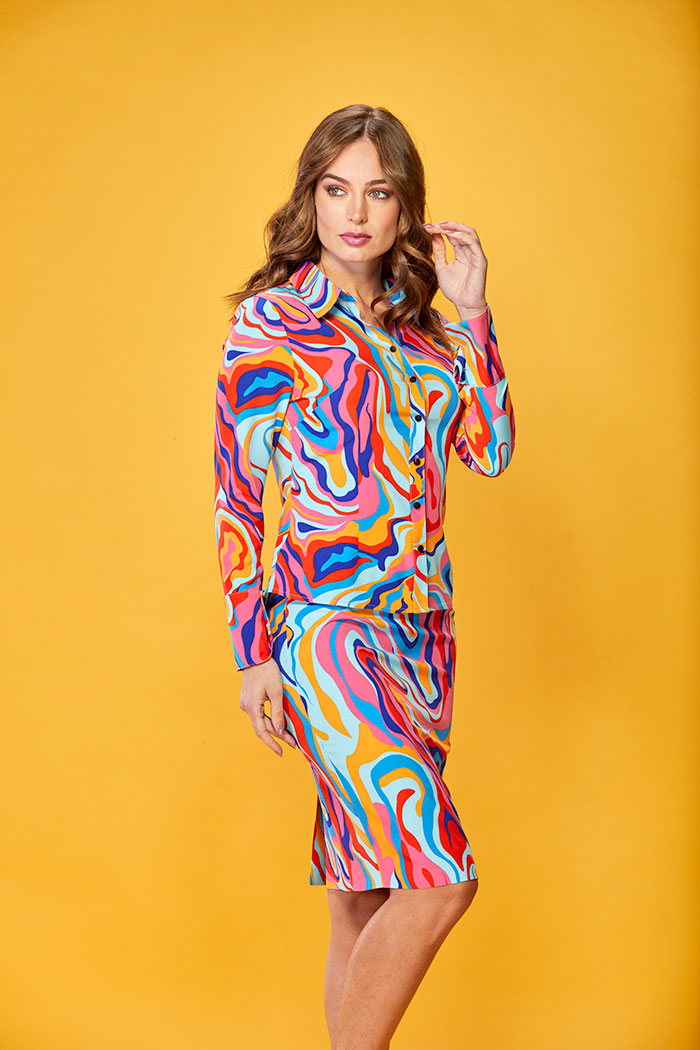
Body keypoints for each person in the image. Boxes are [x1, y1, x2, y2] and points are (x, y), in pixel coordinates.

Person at [213, 103, 516, 1050]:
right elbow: (238, 498)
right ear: (311, 199)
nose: (355, 212)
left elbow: (491, 452)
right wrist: (253, 654)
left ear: (405, 208)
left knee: (366, 891)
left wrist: (473, 314)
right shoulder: (273, 324)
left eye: (378, 193)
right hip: (326, 632)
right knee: (440, 880)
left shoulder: (429, 336)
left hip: (423, 640)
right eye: (336, 189)